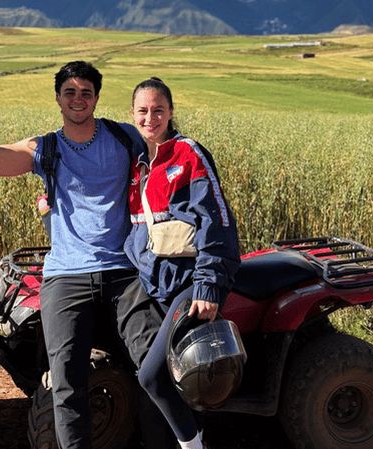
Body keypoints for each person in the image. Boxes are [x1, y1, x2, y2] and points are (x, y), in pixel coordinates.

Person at [0, 60, 163, 449]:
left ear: (96, 98)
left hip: (124, 272)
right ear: (58, 98)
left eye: (86, 93)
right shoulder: (44, 148)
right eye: (70, 92)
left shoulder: (125, 137)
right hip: (67, 276)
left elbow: (171, 157)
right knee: (66, 381)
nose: (78, 99)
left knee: (153, 367)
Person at [124, 77, 242, 449]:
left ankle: (195, 447)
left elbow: (215, 220)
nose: (150, 118)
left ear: (171, 111)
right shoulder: (138, 167)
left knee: (152, 377)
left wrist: (208, 286)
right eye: (143, 111)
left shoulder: (188, 154)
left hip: (190, 286)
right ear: (132, 114)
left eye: (158, 110)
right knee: (173, 380)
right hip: (156, 286)